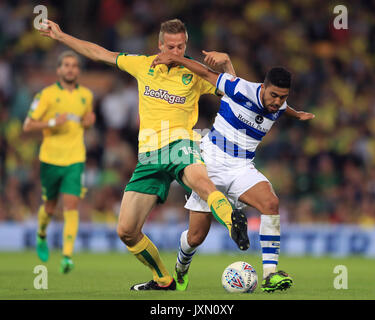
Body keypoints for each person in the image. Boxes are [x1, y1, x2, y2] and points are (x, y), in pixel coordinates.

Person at [39, 18, 249, 290]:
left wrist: (228, 65)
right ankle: (163, 280)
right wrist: (62, 36)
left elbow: (237, 93)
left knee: (201, 182)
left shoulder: (195, 72)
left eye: (181, 46)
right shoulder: (141, 64)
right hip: (149, 155)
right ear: (160, 45)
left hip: (180, 143)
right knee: (126, 230)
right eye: (171, 46)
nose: (176, 52)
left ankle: (233, 222)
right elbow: (101, 53)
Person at [151, 52, 315, 292]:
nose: (278, 102)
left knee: (271, 203)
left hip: (241, 168)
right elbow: (207, 73)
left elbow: (285, 108)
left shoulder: (279, 105)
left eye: (283, 97)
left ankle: (270, 275)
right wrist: (177, 60)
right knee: (195, 238)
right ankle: (181, 267)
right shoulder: (240, 88)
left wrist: (298, 113)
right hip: (209, 165)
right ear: (263, 87)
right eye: (274, 95)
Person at [23, 50, 95, 273]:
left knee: (71, 205)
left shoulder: (86, 96)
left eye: (74, 65)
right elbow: (28, 125)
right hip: (50, 159)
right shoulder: (45, 95)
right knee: (50, 207)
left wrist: (89, 122)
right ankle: (41, 234)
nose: (70, 68)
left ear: (78, 71)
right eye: (66, 65)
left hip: (75, 159)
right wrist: (52, 122)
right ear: (59, 70)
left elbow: (85, 122)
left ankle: (67, 256)